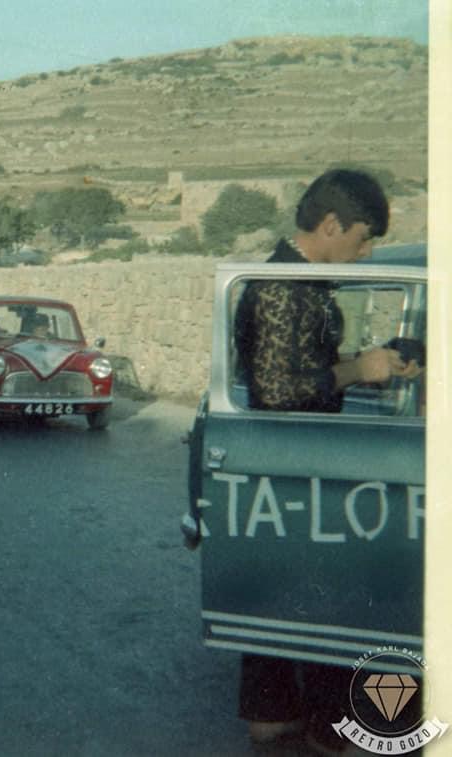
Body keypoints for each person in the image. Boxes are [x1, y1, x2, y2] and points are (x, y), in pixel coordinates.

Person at [233, 169, 421, 755]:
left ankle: (273, 711)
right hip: (294, 449)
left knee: (278, 582)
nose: (365, 253)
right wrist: (358, 369)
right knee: (328, 588)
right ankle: (326, 726)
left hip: (275, 453)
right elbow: (280, 389)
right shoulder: (284, 286)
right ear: (332, 225)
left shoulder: (294, 281)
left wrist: (369, 362)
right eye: (363, 239)